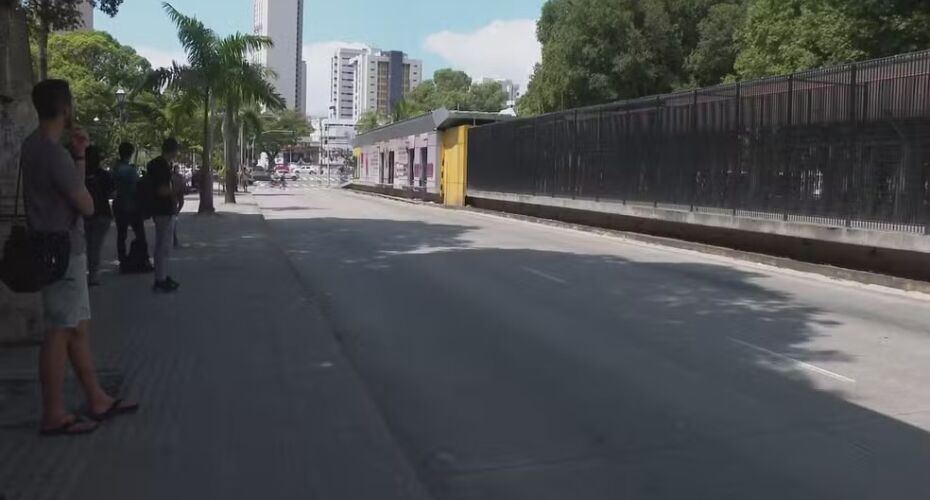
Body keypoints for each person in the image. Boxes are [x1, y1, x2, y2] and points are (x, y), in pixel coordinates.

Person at [22, 80, 138, 436]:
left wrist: (80, 154)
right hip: (62, 252)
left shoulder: (32, 146)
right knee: (60, 331)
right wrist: (76, 159)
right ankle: (54, 414)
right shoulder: (52, 153)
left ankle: (96, 397)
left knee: (76, 329)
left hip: (50, 245)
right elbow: (86, 205)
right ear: (67, 108)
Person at [147, 138, 181, 292]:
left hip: (161, 209)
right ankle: (160, 278)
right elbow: (162, 190)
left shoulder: (159, 164)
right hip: (163, 210)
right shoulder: (161, 166)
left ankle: (162, 275)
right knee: (163, 246)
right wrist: (178, 190)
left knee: (163, 246)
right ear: (173, 151)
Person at [112, 142, 149, 272]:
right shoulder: (131, 170)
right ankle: (142, 260)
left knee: (121, 236)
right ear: (131, 153)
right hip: (132, 206)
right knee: (140, 234)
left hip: (119, 204)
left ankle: (123, 262)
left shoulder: (115, 168)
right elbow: (136, 187)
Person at [82, 145, 114, 286]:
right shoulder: (104, 175)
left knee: (86, 245)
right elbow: (112, 193)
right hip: (102, 213)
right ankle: (93, 275)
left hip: (83, 213)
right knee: (95, 245)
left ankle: (86, 272)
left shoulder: (79, 173)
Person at [171, 164, 186, 249]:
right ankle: (174, 240)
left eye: (178, 169)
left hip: (178, 194)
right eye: (176, 168)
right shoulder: (172, 176)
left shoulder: (179, 176)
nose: (177, 170)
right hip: (173, 196)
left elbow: (183, 184)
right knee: (172, 221)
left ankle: (176, 213)